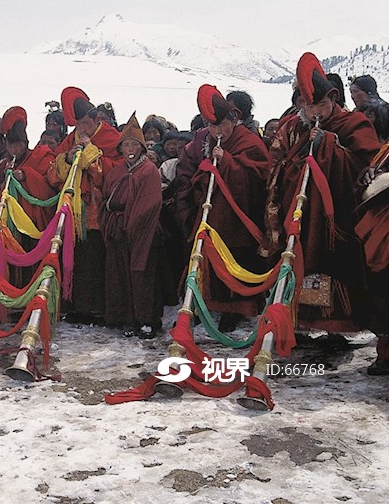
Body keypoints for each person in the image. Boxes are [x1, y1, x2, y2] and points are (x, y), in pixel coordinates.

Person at [261, 53, 382, 335]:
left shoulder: (354, 124)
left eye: (322, 104)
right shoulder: (294, 127)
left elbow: (367, 165)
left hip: (337, 216)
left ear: (334, 100)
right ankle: (302, 322)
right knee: (300, 259)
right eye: (310, 105)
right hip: (301, 208)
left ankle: (336, 326)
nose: (316, 111)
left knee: (332, 266)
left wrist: (329, 146)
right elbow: (280, 163)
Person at [176, 84, 272, 332]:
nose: (217, 131)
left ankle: (236, 309)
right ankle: (206, 304)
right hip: (211, 210)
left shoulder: (248, 140)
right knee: (206, 256)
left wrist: (227, 162)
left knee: (236, 258)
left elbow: (258, 174)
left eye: (221, 126)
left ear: (234, 119)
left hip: (237, 215)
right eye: (212, 126)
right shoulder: (205, 140)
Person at [47, 86, 125, 322]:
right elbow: (52, 172)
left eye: (85, 123)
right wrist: (68, 158)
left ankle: (99, 308)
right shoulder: (69, 140)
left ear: (95, 120)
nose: (82, 128)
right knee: (76, 258)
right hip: (73, 210)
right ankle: (77, 307)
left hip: (98, 209)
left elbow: (119, 169)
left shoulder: (111, 137)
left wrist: (92, 157)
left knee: (96, 258)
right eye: (78, 124)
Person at [100, 113, 164, 337]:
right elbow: (105, 197)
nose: (129, 148)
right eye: (125, 144)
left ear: (141, 148)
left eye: (134, 144)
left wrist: (132, 226)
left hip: (142, 231)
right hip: (117, 227)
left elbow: (150, 202)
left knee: (142, 276)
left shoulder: (148, 171)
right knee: (119, 275)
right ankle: (125, 317)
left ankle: (146, 320)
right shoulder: (117, 171)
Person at [354, 142, 389, 375]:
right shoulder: (386, 149)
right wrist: (369, 175)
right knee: (382, 294)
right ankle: (385, 356)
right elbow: (369, 177)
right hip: (383, 224)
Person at [0, 106, 57, 230]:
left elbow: (50, 191)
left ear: (26, 143)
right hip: (12, 223)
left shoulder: (41, 156)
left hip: (36, 223)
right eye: (11, 146)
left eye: (18, 145)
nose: (14, 150)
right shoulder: (5, 163)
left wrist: (26, 175)